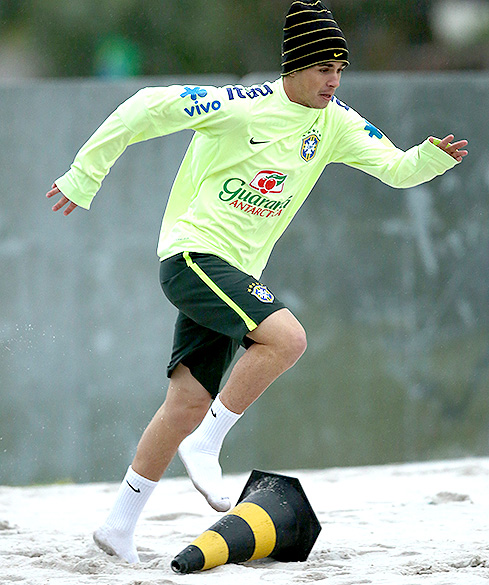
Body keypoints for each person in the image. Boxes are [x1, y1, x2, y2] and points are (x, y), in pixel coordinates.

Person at [46, 0, 468, 565]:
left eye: (341, 70)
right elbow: (145, 106)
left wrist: (430, 158)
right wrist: (84, 174)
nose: (334, 81)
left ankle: (118, 526)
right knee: (287, 338)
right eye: (324, 69)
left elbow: (395, 168)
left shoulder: (334, 122)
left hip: (234, 273)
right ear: (295, 65)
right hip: (193, 255)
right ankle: (208, 444)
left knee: (188, 400)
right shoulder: (241, 106)